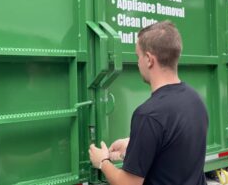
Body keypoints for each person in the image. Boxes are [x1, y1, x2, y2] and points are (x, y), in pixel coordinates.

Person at [89, 21, 209, 185]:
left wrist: (102, 161)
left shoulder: (148, 115)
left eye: (138, 56)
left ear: (149, 59)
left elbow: (128, 183)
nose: (138, 62)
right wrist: (134, 144)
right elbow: (176, 150)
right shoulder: (195, 100)